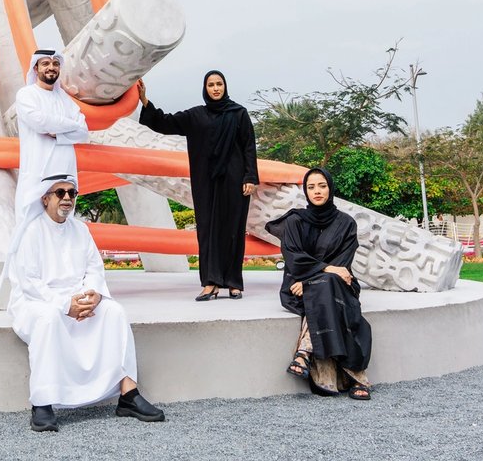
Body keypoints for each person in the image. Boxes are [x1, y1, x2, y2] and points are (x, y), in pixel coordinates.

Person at [7, 174, 165, 431]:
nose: (67, 198)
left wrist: (94, 295)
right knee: (48, 319)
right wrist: (64, 305)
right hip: (37, 301)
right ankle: (43, 403)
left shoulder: (81, 229)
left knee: (114, 312)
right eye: (60, 193)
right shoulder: (30, 231)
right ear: (45, 198)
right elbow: (29, 282)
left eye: (72, 193)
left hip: (79, 299)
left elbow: (94, 268)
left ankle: (128, 394)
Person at [137, 71, 258, 300]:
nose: (215, 88)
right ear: (205, 88)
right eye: (211, 84)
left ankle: (234, 283)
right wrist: (144, 100)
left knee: (233, 230)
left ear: (225, 86)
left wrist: (250, 177)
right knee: (207, 231)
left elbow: (249, 146)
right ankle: (210, 283)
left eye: (219, 84)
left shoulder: (238, 113)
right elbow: (166, 122)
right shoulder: (196, 115)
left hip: (234, 181)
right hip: (205, 183)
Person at [265, 167, 372, 400]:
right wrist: (323, 272)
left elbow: (342, 267)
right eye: (311, 187)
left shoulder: (346, 224)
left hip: (332, 287)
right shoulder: (295, 222)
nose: (317, 191)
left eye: (322, 186)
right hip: (297, 286)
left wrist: (313, 282)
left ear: (330, 188)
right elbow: (294, 258)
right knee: (326, 287)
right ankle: (357, 377)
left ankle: (304, 352)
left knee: (328, 286)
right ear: (305, 191)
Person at [13, 49, 89, 219]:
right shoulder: (26, 94)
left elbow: (83, 132)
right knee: (31, 222)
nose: (51, 67)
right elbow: (40, 122)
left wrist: (58, 135)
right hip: (38, 169)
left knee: (63, 222)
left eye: (55, 64)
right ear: (36, 68)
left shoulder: (64, 99)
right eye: (45, 63)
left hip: (65, 171)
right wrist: (71, 125)